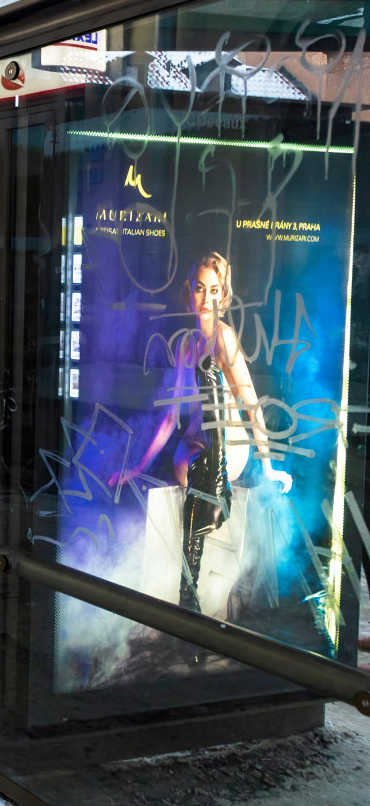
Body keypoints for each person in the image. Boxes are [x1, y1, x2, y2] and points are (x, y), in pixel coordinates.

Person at [111, 252, 292, 616]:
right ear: (189, 292)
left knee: (209, 447)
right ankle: (215, 500)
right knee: (199, 468)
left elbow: (252, 405)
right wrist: (137, 466)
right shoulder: (186, 344)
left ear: (223, 295)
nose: (206, 298)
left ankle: (187, 590)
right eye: (199, 288)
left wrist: (268, 467)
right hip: (195, 446)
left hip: (229, 446)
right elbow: (170, 418)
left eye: (214, 290)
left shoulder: (224, 338)